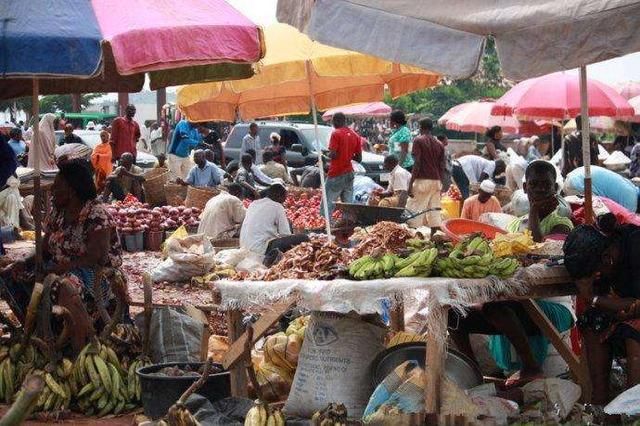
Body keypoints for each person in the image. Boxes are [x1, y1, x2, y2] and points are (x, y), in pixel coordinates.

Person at [450, 160, 575, 387]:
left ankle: (531, 367)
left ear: (555, 189)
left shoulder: (562, 223)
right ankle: (473, 371)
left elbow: (537, 251)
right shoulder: (517, 225)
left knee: (496, 307)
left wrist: (536, 212)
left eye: (545, 185)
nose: (539, 190)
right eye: (534, 185)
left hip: (553, 308)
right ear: (525, 187)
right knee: (453, 313)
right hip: (518, 305)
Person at [1, 162, 124, 350]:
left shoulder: (96, 213)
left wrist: (60, 268)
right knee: (10, 276)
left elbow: (96, 257)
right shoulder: (59, 212)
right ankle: (38, 332)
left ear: (72, 190)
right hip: (58, 268)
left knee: (65, 285)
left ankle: (78, 348)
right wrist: (23, 261)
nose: (53, 190)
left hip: (95, 275)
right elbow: (44, 247)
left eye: (57, 186)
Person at [563, 218, 640, 404]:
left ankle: (630, 407)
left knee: (633, 332)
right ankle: (600, 402)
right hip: (627, 309)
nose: (597, 277)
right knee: (591, 321)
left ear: (606, 258)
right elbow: (622, 305)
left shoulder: (636, 248)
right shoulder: (604, 252)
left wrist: (592, 298)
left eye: (596, 273)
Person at [240, 182, 307, 266]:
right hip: (261, 249)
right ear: (279, 196)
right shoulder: (277, 206)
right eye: (284, 198)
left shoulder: (253, 204)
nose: (284, 201)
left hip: (244, 247)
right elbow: (285, 233)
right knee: (303, 237)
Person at [406, 118, 444, 233]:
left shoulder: (418, 140)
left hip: (422, 180)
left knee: (413, 213)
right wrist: (440, 183)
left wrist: (411, 183)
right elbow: (442, 166)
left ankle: (412, 241)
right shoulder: (439, 144)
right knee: (434, 214)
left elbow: (417, 163)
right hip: (436, 181)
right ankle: (436, 241)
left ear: (420, 127)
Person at [324, 112, 363, 216]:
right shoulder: (356, 135)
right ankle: (347, 226)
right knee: (347, 204)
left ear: (336, 121)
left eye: (332, 122)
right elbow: (359, 158)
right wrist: (348, 154)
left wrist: (327, 154)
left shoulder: (336, 133)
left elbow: (333, 155)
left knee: (328, 203)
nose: (332, 124)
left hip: (336, 173)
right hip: (349, 173)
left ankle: (324, 227)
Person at [564, 165, 639, 213]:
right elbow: (626, 223)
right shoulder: (631, 202)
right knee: (591, 223)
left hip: (577, 176)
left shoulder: (631, 188)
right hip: (580, 184)